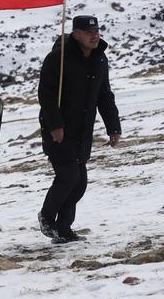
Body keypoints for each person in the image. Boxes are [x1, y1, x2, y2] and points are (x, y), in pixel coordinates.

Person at [38, 15, 121, 243]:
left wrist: (113, 126)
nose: (94, 36)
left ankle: (63, 228)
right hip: (59, 130)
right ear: (75, 34)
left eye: (96, 31)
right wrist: (55, 125)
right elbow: (45, 94)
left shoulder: (100, 60)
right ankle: (46, 218)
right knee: (68, 176)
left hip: (83, 130)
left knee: (79, 182)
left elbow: (104, 96)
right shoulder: (58, 59)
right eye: (87, 32)